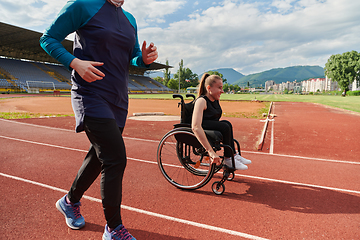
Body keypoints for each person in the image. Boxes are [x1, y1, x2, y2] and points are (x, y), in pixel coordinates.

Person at [39, 0, 158, 239]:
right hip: (89, 93)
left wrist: (143, 60)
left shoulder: (130, 19)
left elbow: (131, 57)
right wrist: (75, 62)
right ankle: (114, 229)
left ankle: (69, 201)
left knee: (100, 156)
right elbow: (48, 38)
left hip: (118, 99)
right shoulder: (83, 5)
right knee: (115, 158)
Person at [191, 73, 251, 170]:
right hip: (203, 127)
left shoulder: (215, 101)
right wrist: (210, 151)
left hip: (211, 126)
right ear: (209, 88)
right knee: (225, 126)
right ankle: (228, 158)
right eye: (219, 88)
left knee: (227, 124)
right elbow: (195, 126)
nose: (222, 91)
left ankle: (233, 155)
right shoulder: (201, 101)